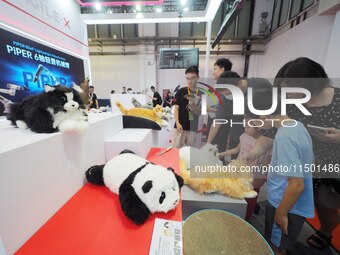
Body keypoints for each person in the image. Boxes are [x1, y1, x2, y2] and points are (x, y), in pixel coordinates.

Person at [246, 57, 340, 250]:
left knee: (326, 206)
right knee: (301, 202)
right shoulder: (291, 104)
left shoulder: (336, 100)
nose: (286, 95)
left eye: (291, 88)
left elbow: (295, 186)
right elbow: (272, 130)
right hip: (300, 165)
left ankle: (325, 231)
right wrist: (250, 155)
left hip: (329, 164)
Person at [252, 89, 314, 255]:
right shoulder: (297, 126)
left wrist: (281, 212)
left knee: (276, 247)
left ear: (265, 115)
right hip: (292, 202)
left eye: (257, 119)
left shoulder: (285, 136)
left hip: (284, 202)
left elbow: (297, 185)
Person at [218, 116, 271, 220]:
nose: (245, 129)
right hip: (238, 173)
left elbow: (266, 163)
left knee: (250, 199)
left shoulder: (265, 143)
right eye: (244, 126)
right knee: (236, 196)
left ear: (259, 127)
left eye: (247, 126)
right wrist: (223, 153)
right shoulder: (244, 136)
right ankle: (234, 215)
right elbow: (237, 149)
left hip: (253, 177)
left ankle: (246, 218)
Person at [207, 71, 240, 152]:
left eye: (229, 94)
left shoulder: (255, 88)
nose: (227, 97)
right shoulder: (225, 98)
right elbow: (217, 121)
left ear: (238, 85)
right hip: (235, 135)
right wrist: (208, 143)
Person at [172, 66, 202, 148]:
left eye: (192, 78)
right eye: (187, 78)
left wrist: (193, 105)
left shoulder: (202, 94)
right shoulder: (181, 91)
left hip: (192, 128)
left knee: (190, 152)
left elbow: (199, 113)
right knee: (175, 150)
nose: (190, 81)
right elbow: (176, 108)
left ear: (198, 77)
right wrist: (177, 123)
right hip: (179, 127)